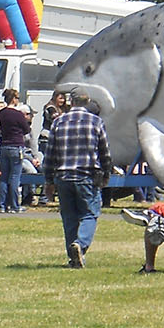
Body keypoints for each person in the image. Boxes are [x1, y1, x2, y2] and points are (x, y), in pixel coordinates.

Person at [42, 92, 111, 268]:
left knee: (69, 218)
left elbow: (50, 154)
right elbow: (104, 152)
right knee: (89, 214)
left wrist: (48, 181)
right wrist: (106, 173)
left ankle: (74, 257)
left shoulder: (58, 122)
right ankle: (80, 245)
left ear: (71, 102)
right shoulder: (96, 122)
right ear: (87, 102)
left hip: (63, 177)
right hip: (87, 176)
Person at [0, 88, 32, 214]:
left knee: (4, 176)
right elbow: (26, 129)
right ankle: (14, 205)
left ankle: (2, 205)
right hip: (16, 145)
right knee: (15, 176)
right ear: (13, 99)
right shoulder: (17, 114)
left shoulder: (1, 113)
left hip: (4, 145)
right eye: (17, 98)